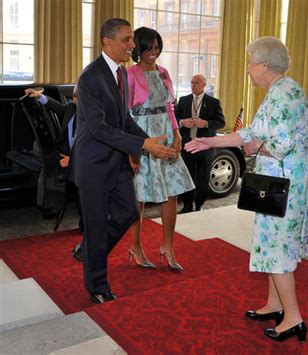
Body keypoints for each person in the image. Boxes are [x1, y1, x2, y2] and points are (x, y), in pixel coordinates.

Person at [185, 37, 308, 342]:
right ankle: (275, 304)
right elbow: (249, 133)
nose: (247, 69)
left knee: (279, 247)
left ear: (264, 65)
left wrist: (256, 146)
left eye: (250, 62)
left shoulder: (283, 94)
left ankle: (293, 318)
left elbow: (277, 145)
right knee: (272, 243)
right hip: (281, 182)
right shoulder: (282, 89)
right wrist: (210, 141)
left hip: (284, 185)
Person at [69, 18, 176, 304]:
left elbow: (123, 120)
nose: (132, 45)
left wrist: (148, 144)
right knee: (96, 226)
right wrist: (143, 144)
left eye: (132, 40)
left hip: (116, 161)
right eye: (127, 40)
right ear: (108, 41)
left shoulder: (121, 73)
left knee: (128, 213)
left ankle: (89, 251)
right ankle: (97, 286)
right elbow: (98, 128)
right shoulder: (91, 77)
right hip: (93, 164)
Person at [127, 27, 194, 271]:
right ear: (138, 48)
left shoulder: (164, 72)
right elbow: (126, 114)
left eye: (157, 47)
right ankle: (135, 245)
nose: (154, 52)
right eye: (149, 48)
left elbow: (170, 108)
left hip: (166, 134)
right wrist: (132, 149)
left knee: (172, 192)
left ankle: (168, 246)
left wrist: (177, 134)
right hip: (143, 135)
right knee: (139, 194)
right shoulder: (130, 74)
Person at [24, 86, 84, 236]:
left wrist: (73, 159)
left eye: (78, 96)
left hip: (84, 159)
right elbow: (54, 106)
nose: (75, 99)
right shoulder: (71, 107)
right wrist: (38, 96)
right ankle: (50, 206)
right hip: (66, 155)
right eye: (74, 96)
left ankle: (87, 226)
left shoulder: (93, 116)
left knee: (82, 187)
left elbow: (92, 146)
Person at [175, 74, 225, 213]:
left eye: (196, 82)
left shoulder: (214, 102)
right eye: (191, 82)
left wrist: (206, 123)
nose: (193, 85)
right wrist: (182, 122)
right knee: (188, 176)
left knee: (203, 178)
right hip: (187, 145)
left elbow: (221, 122)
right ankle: (187, 205)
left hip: (205, 146)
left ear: (204, 85)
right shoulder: (184, 100)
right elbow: (174, 117)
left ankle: (199, 205)